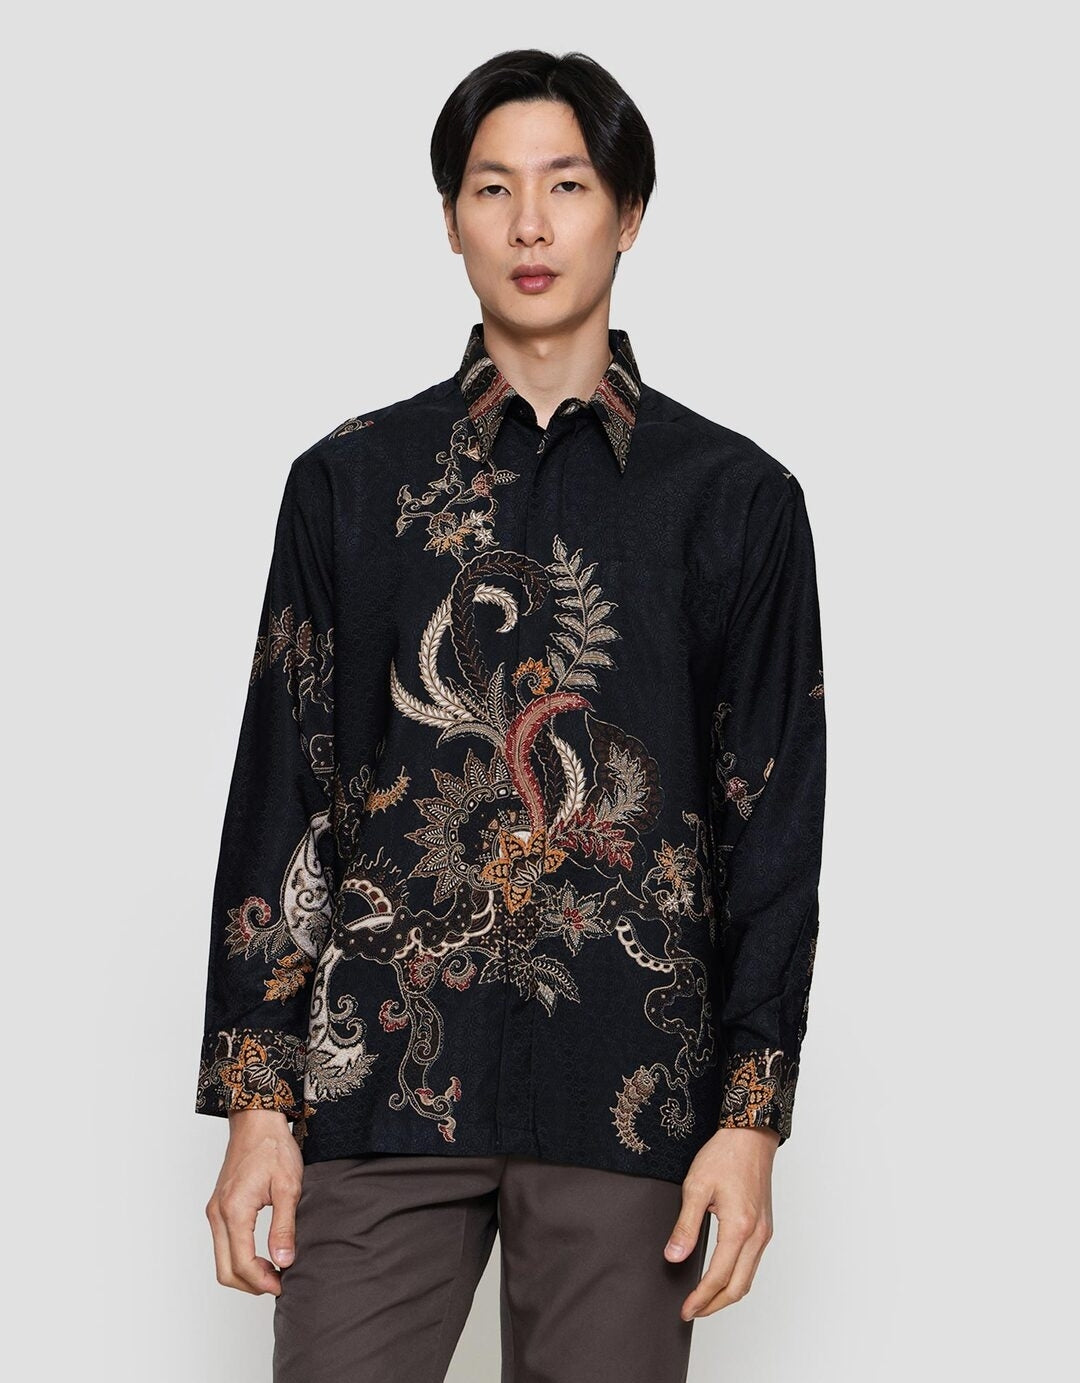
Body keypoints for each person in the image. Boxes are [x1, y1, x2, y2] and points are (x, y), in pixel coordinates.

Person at [197, 47, 827, 1383]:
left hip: (629, 1085)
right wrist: (258, 1102)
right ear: (451, 220)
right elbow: (287, 786)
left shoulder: (736, 502)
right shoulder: (349, 484)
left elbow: (771, 823)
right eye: (493, 188)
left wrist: (751, 1116)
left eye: (567, 185)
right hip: (379, 1078)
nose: (530, 224)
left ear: (630, 213)